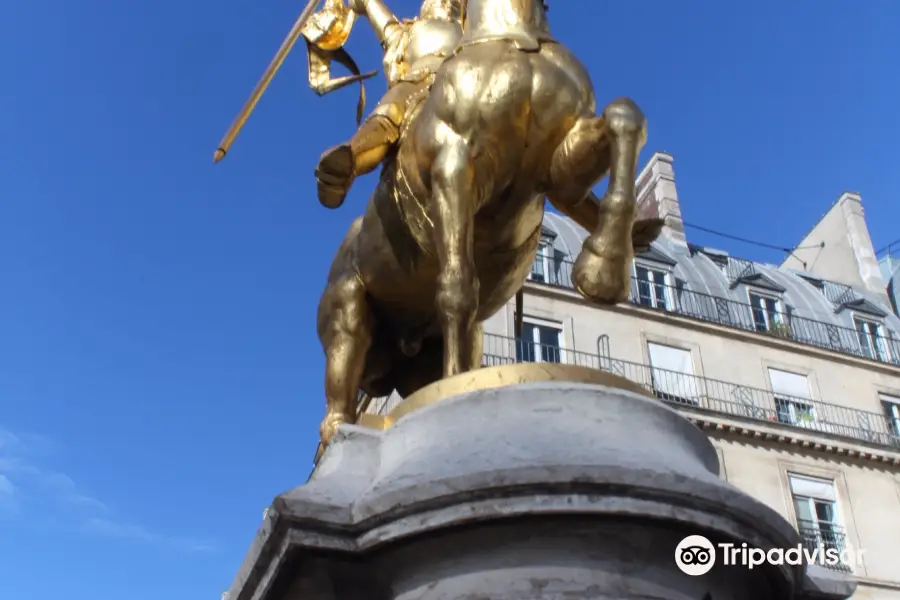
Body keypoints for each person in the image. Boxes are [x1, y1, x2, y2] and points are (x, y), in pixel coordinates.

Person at [315, 0, 466, 209]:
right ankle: (347, 162)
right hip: (419, 80)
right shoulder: (406, 32)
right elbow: (370, 7)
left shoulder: (475, 30)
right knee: (390, 111)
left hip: (467, 77)